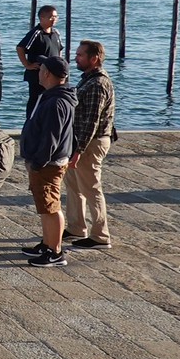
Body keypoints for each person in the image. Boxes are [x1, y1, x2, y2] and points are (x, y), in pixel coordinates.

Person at [18, 56, 77, 266]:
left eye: (41, 68)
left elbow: (51, 137)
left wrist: (38, 162)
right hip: (46, 162)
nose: (38, 70)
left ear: (47, 74)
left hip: (48, 164)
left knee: (51, 206)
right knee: (45, 205)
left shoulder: (56, 102)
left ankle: (55, 251)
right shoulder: (52, 96)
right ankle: (47, 243)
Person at [64, 40, 116, 252]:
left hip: (91, 142)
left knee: (92, 188)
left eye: (80, 55)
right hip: (80, 140)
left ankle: (100, 235)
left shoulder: (97, 85)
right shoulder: (88, 80)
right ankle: (77, 226)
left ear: (94, 59)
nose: (76, 58)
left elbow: (91, 121)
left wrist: (79, 150)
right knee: (74, 186)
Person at [16, 5, 64, 120]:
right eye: (51, 17)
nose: (54, 19)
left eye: (56, 17)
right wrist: (27, 64)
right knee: (36, 101)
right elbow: (20, 48)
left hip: (53, 76)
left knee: (51, 101)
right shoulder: (36, 33)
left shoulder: (56, 33)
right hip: (38, 75)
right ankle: (31, 125)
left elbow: (59, 50)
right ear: (42, 17)